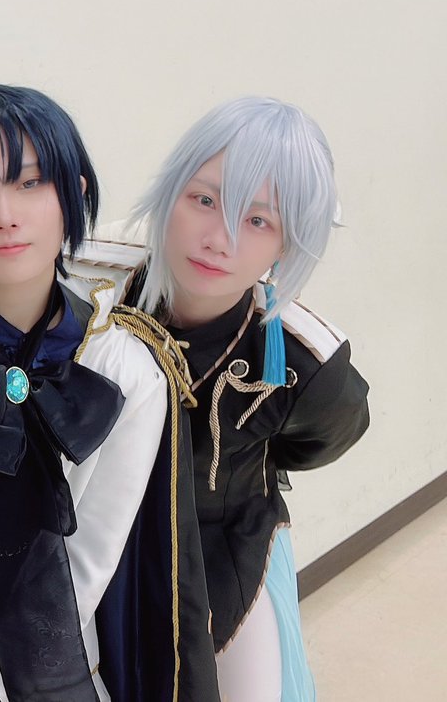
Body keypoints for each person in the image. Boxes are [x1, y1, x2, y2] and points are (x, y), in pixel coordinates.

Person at [0, 84, 219, 701]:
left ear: (74, 194)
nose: (5, 214)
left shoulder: (125, 368)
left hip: (40, 657)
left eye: (30, 183)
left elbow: (86, 566)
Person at [79, 95, 369, 700]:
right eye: (205, 200)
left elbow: (329, 434)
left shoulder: (305, 362)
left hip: (227, 552)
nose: (218, 239)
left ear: (286, 245)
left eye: (258, 221)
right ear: (171, 193)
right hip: (98, 540)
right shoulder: (89, 292)